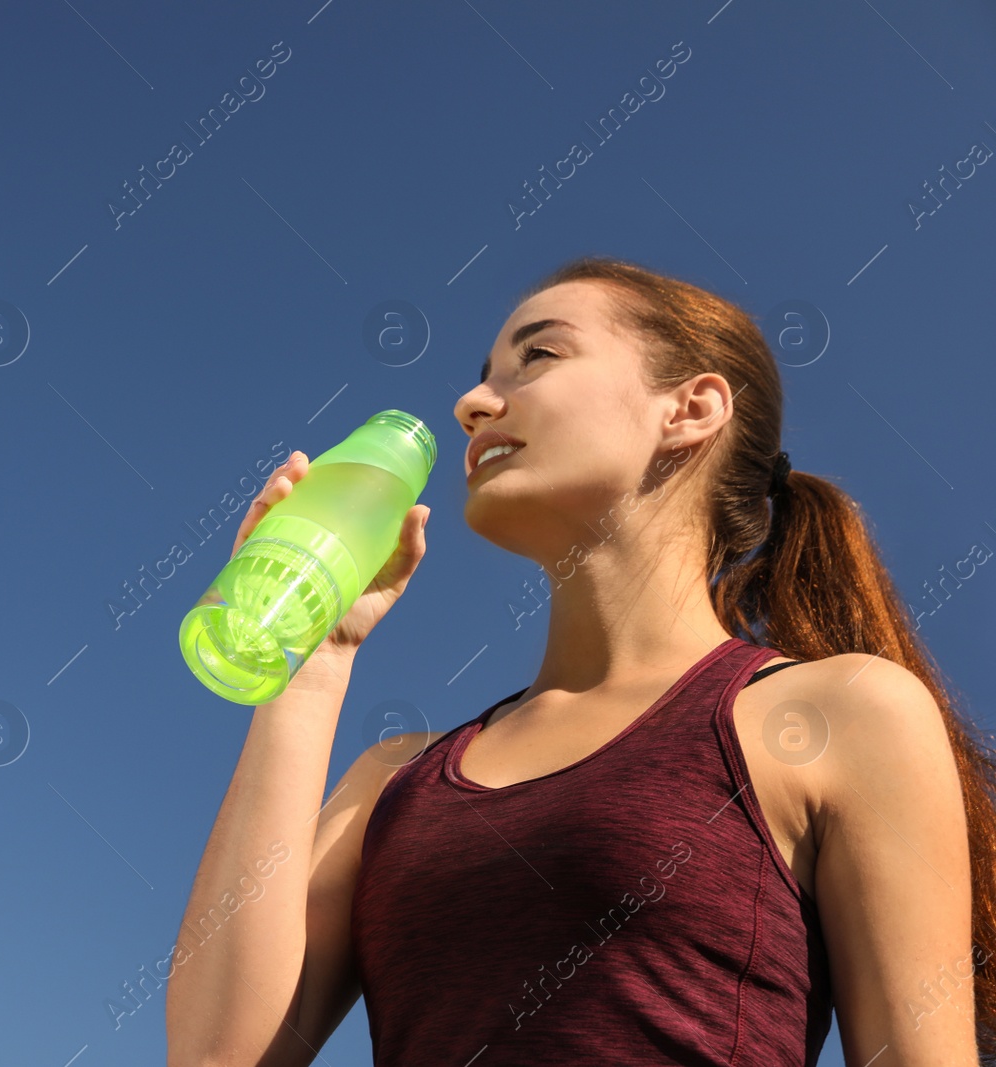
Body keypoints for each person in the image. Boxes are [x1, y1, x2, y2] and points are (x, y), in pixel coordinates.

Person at [164, 256, 995, 1066]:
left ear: (690, 409)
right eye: (485, 373)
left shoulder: (835, 713)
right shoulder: (394, 779)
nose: (470, 403)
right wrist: (307, 666)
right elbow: (214, 1055)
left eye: (539, 355)